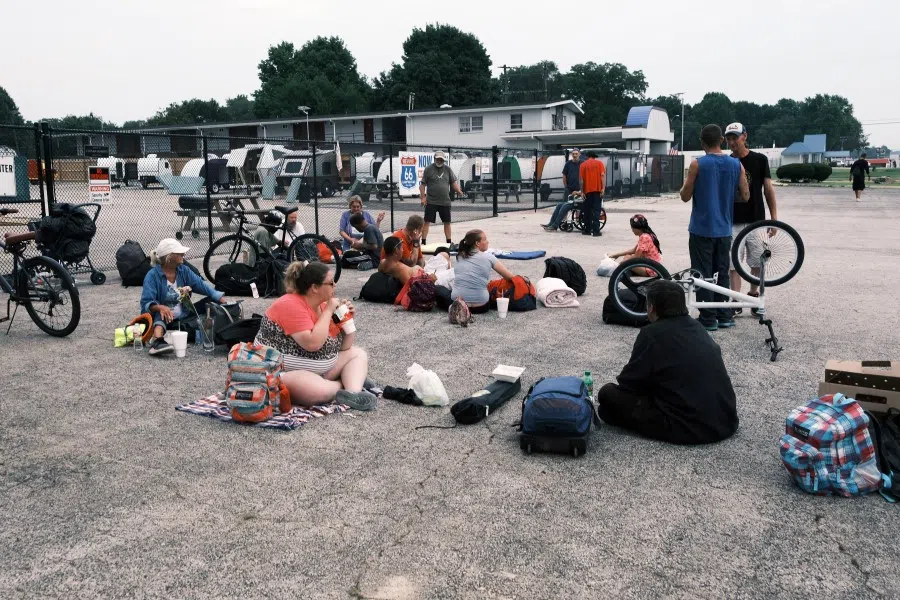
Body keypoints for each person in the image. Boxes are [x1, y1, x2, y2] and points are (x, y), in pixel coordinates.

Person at [596, 280, 739, 445]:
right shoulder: (697, 327)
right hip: (725, 420)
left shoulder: (651, 333)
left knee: (607, 394)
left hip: (689, 427)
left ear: (651, 308)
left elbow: (629, 384)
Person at [254, 261, 376, 410]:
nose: (335, 286)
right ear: (315, 288)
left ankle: (353, 393)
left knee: (358, 354)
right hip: (280, 372)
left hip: (318, 370)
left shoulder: (323, 305)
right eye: (331, 283)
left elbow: (344, 347)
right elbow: (313, 344)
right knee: (316, 390)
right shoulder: (290, 305)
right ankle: (345, 383)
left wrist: (346, 321)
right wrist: (329, 311)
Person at [679, 124, 749, 331]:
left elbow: (685, 196)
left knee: (703, 274)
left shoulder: (697, 164)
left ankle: (708, 318)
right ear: (721, 140)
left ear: (702, 143)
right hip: (724, 229)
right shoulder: (737, 165)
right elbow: (745, 196)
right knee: (722, 272)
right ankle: (724, 314)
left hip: (701, 228)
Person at [139, 238, 228, 357]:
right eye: (179, 253)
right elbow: (146, 302)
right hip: (164, 318)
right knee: (159, 313)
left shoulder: (184, 271)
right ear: (169, 257)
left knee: (212, 301)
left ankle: (225, 329)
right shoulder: (152, 276)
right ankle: (157, 341)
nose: (183, 254)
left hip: (184, 316)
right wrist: (161, 307)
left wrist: (220, 299)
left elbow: (202, 286)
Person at [724, 122, 778, 313]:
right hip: (733, 220)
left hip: (756, 220)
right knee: (733, 263)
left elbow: (768, 189)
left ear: (744, 137)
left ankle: (754, 295)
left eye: (735, 137)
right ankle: (736, 301)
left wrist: (773, 219)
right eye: (729, 138)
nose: (732, 142)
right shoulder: (728, 162)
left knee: (759, 260)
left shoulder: (759, 160)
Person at [450, 229, 515, 314]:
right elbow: (510, 277)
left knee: (443, 290)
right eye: (485, 239)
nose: (488, 242)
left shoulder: (459, 256)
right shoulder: (489, 257)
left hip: (458, 304)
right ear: (477, 243)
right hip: (481, 307)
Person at [419, 150, 464, 246]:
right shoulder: (428, 169)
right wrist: (423, 198)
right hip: (431, 201)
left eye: (441, 159)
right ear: (435, 158)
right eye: (438, 159)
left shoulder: (448, 169)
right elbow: (422, 185)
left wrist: (458, 191)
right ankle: (423, 242)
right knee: (426, 221)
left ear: (444, 160)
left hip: (445, 201)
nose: (439, 161)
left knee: (447, 222)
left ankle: (448, 242)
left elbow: (453, 183)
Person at [542, 149, 583, 231]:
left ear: (579, 154)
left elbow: (584, 179)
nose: (574, 155)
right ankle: (552, 223)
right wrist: (566, 187)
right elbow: (564, 176)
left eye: (576, 154)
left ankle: (555, 226)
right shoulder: (568, 163)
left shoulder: (582, 164)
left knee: (565, 206)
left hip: (579, 191)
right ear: (571, 155)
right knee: (559, 205)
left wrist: (580, 191)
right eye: (573, 154)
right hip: (569, 189)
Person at [579, 150, 607, 236]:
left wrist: (582, 191)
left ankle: (587, 230)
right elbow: (602, 176)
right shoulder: (599, 163)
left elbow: (581, 180)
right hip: (597, 191)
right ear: (594, 156)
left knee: (587, 211)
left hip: (587, 191)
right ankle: (596, 231)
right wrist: (603, 188)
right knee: (596, 210)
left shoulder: (583, 165)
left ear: (587, 156)